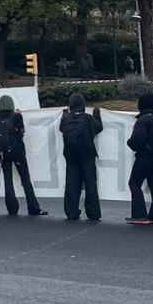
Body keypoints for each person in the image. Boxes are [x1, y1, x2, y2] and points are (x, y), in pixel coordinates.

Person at [0, 95, 44, 217]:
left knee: (8, 181)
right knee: (25, 179)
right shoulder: (16, 116)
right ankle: (33, 208)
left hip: (4, 153)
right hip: (18, 152)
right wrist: (19, 116)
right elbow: (21, 133)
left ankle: (12, 208)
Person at [125, 93, 153, 224]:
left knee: (134, 183)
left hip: (145, 156)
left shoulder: (143, 120)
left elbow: (137, 140)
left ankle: (140, 216)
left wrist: (130, 143)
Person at [59, 94, 103, 222]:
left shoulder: (66, 119)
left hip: (70, 154)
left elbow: (62, 128)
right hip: (87, 154)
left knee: (72, 183)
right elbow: (99, 127)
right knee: (90, 184)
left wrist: (64, 114)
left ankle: (71, 211)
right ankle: (93, 213)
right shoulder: (88, 119)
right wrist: (97, 114)